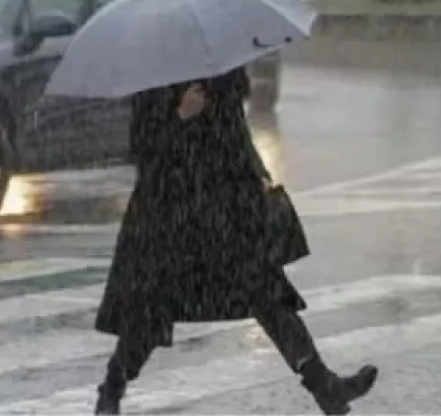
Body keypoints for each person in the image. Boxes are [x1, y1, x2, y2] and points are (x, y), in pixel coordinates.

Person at [93, 67, 378, 415]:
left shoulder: (220, 68)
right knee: (151, 309)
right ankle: (112, 390)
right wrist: (181, 116)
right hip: (170, 217)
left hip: (226, 211)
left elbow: (234, 131)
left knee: (268, 295)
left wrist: (256, 171)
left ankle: (325, 387)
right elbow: (143, 151)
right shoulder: (155, 77)